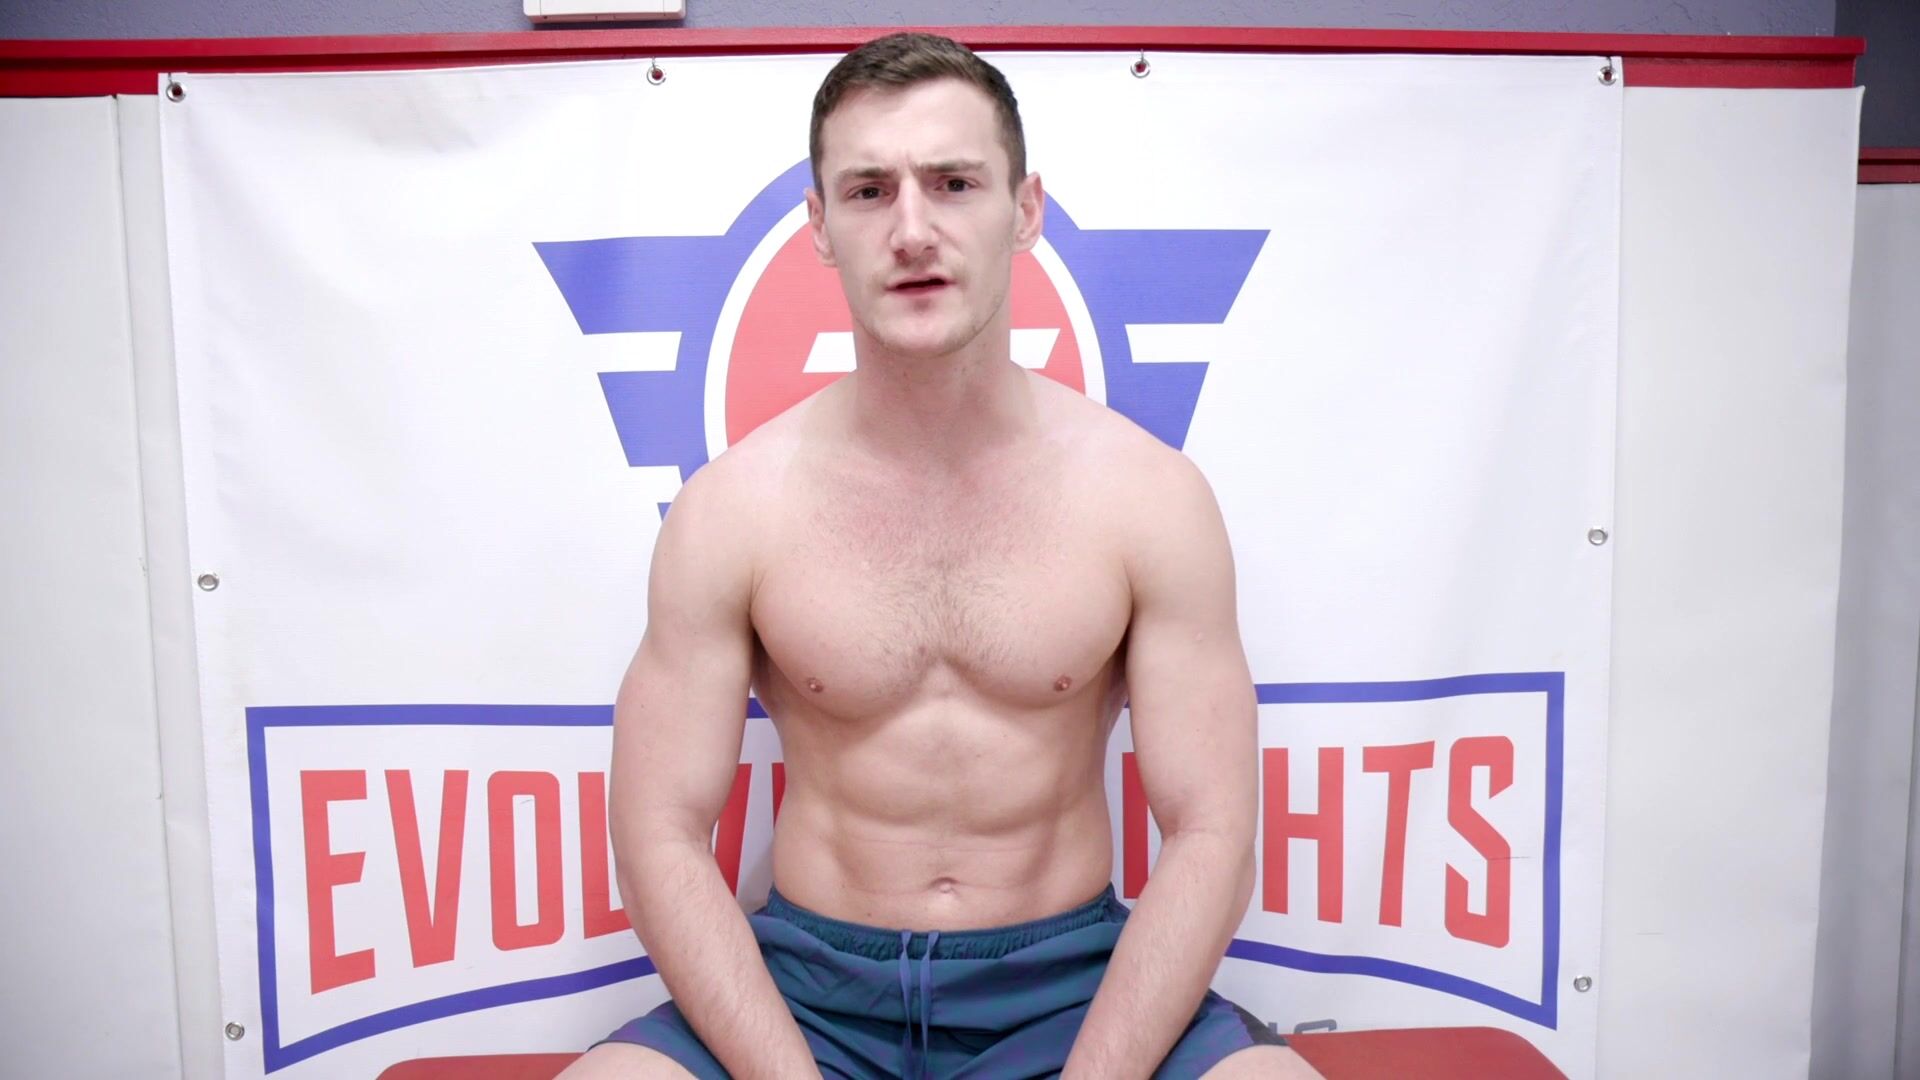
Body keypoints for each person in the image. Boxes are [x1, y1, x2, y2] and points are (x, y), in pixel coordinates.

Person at [562, 32, 1321, 1080]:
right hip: (809, 997)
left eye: (954, 183)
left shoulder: (1148, 498)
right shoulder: (732, 510)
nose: (912, 230)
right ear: (820, 226)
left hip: (1075, 989)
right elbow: (659, 833)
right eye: (869, 191)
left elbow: (1212, 831)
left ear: (1025, 209)